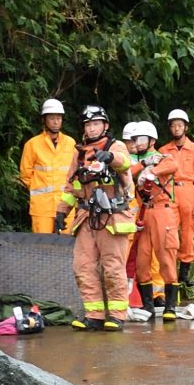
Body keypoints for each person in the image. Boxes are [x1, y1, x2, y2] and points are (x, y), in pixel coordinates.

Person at [64, 107, 139, 331]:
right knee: (83, 266)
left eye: (96, 124)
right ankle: (94, 314)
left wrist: (110, 157)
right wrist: (61, 211)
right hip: (87, 216)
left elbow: (125, 163)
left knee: (113, 267)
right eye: (88, 125)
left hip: (112, 216)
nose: (92, 128)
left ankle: (116, 315)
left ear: (105, 125)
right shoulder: (79, 153)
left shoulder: (115, 146)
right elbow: (71, 186)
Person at [122, 121, 177, 321]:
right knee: (142, 260)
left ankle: (170, 305)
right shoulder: (135, 162)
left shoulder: (161, 156)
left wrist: (153, 170)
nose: (138, 143)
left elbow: (173, 164)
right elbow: (127, 173)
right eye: (135, 140)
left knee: (165, 257)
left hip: (162, 211)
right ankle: (148, 306)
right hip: (143, 214)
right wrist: (144, 166)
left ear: (151, 140)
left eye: (142, 139)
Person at [164, 110, 194, 318]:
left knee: (188, 233)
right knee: (169, 233)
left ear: (186, 127)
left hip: (190, 192)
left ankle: (184, 274)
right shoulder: (164, 150)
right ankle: (171, 272)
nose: (176, 128)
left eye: (180, 125)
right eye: (173, 125)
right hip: (171, 192)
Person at [20, 99, 77, 235]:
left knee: (67, 246)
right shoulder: (32, 145)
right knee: (42, 246)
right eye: (52, 118)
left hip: (66, 204)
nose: (56, 122)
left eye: (58, 118)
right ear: (44, 120)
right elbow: (25, 175)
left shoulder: (70, 143)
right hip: (42, 207)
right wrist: (39, 189)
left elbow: (76, 172)